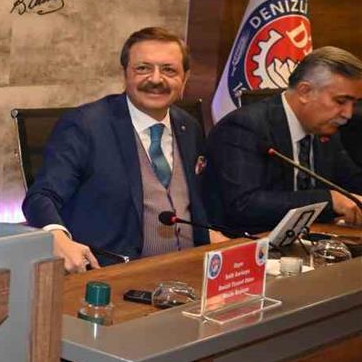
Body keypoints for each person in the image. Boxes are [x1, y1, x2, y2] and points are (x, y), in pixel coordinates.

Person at [22, 27, 212, 271]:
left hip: (189, 270)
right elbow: (41, 196)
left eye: (169, 70)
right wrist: (56, 236)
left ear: (185, 79)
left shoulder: (189, 126)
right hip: (113, 275)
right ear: (125, 74)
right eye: (143, 68)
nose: (156, 79)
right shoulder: (85, 126)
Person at [204, 46, 362, 234]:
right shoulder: (244, 127)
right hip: (250, 243)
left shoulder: (324, 129)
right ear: (305, 92)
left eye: (354, 103)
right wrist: (329, 200)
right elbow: (244, 205)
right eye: (341, 101)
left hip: (307, 240)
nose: (348, 114)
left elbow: (352, 181)